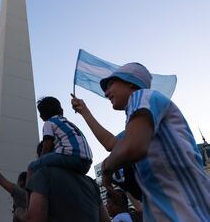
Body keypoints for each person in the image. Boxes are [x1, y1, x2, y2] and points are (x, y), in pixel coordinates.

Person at [72, 62, 210, 221]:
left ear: (131, 82)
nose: (106, 93)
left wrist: (106, 168)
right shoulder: (140, 126)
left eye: (110, 85)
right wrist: (85, 112)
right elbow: (111, 144)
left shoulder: (143, 96)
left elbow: (131, 148)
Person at [28, 97, 92, 178]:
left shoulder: (49, 123)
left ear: (42, 116)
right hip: (87, 161)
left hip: (70, 156)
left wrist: (40, 160)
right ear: (61, 110)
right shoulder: (68, 123)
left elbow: (47, 145)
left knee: (32, 167)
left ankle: (29, 190)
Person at [25, 166, 110, 222]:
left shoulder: (43, 174)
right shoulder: (90, 181)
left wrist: (20, 212)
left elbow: (35, 219)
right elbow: (105, 220)